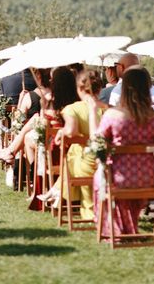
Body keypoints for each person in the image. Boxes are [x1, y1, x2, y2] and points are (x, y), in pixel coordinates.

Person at [94, 66, 154, 238]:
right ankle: (128, 226)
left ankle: (116, 230)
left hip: (120, 176)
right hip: (148, 177)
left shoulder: (112, 115)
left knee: (99, 178)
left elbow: (98, 142)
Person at [37, 70, 108, 217]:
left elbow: (71, 131)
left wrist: (61, 132)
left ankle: (57, 192)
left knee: (72, 153)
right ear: (99, 89)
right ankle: (56, 192)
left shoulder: (73, 109)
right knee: (73, 153)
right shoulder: (107, 108)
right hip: (107, 161)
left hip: (85, 164)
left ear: (80, 89)